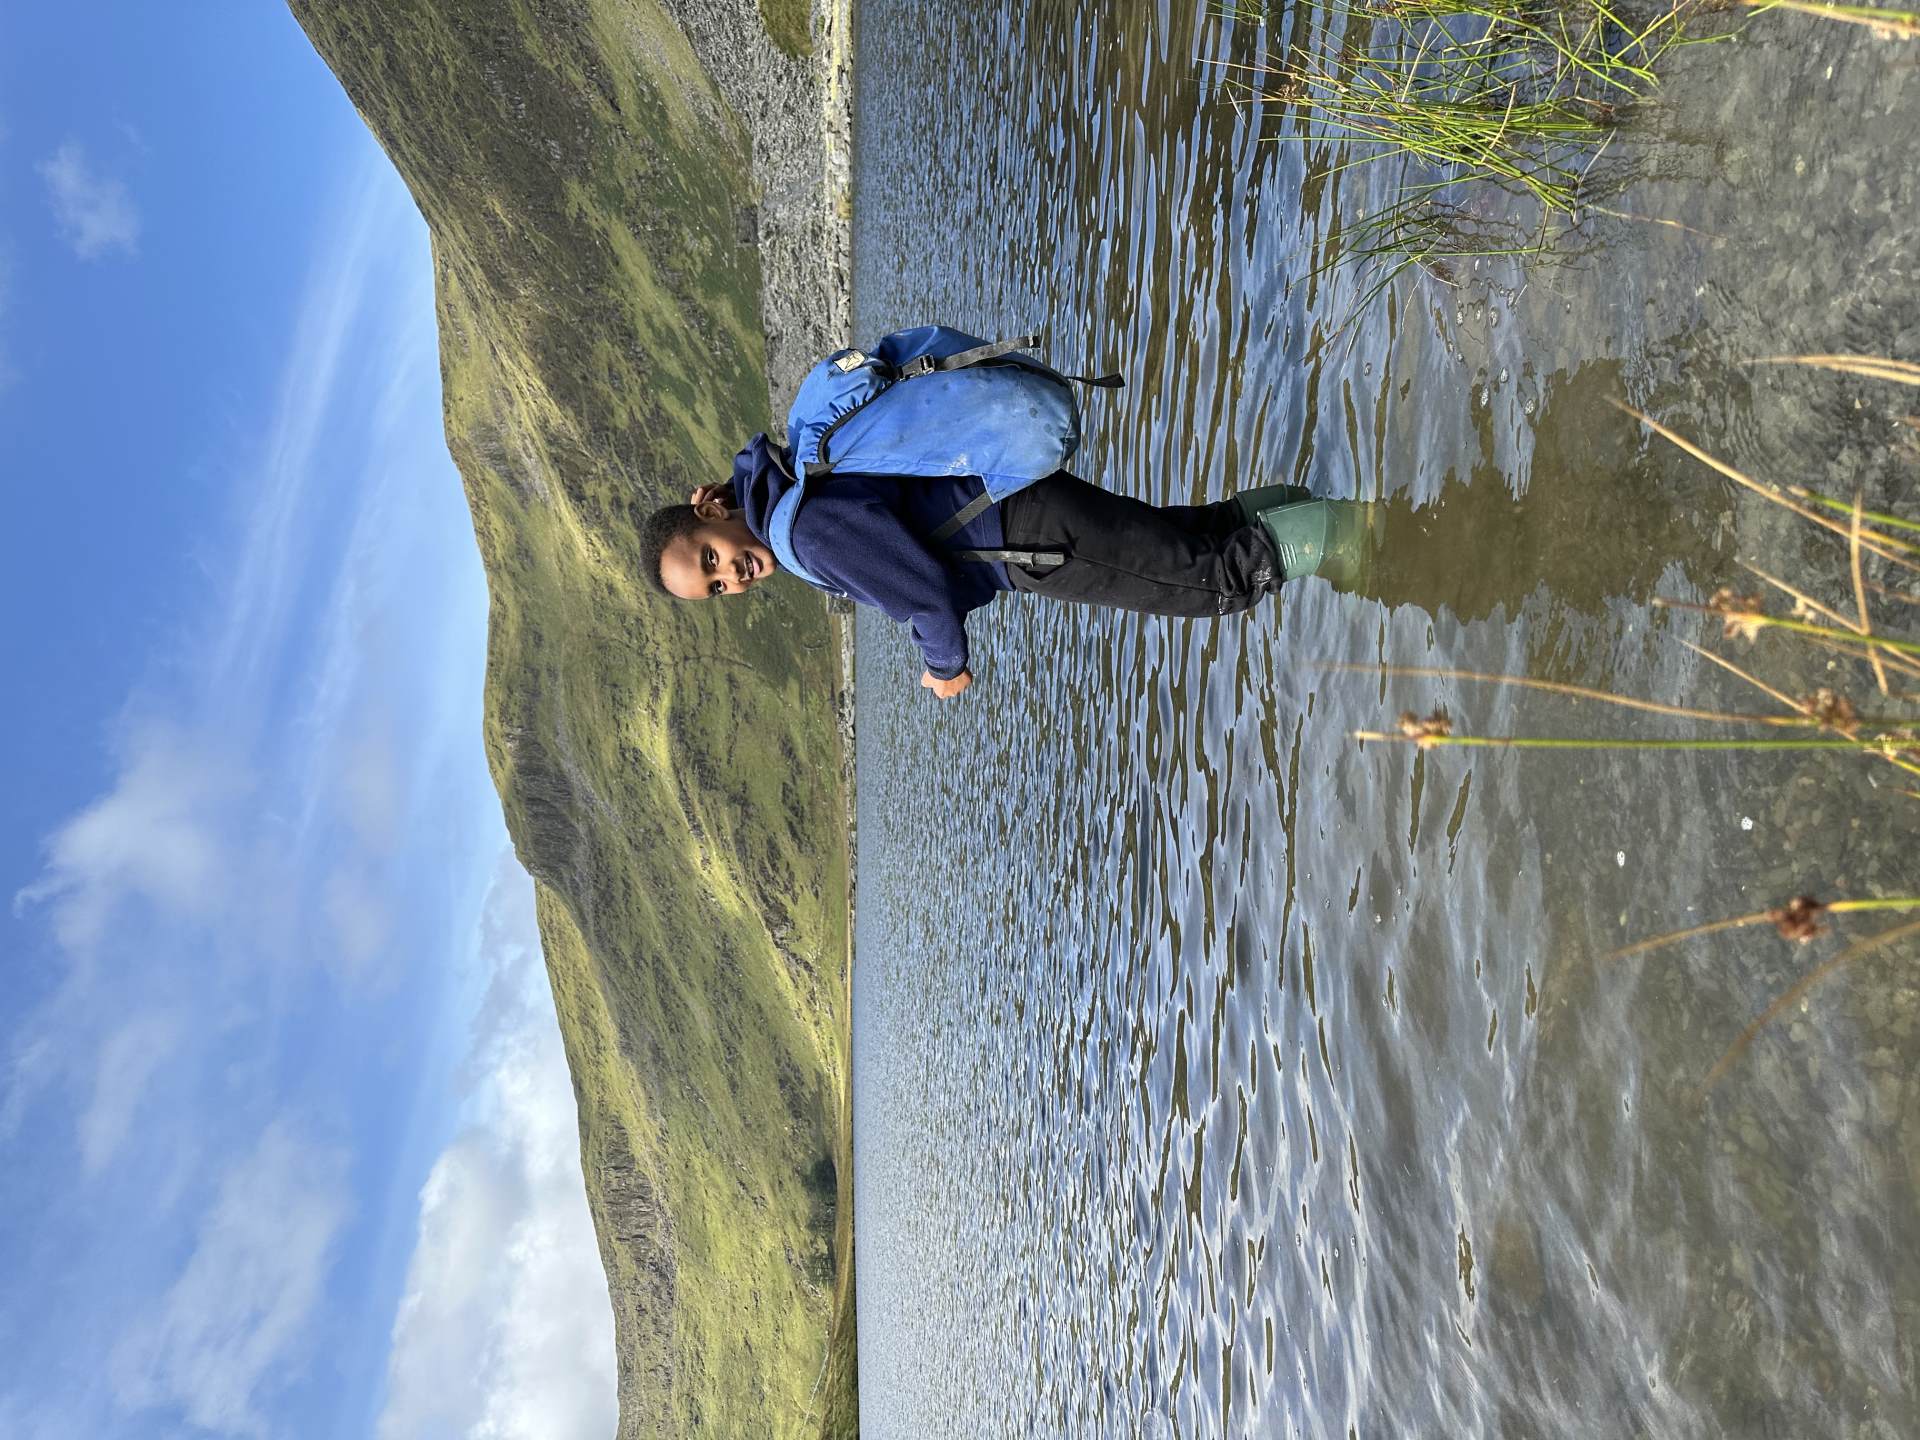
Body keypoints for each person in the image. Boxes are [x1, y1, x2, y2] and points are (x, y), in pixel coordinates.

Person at [640, 435, 1373, 698]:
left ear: (709, 509)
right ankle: (1341, 518)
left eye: (710, 558)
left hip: (1027, 538)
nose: (731, 576)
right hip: (1018, 497)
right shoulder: (783, 479)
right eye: (716, 587)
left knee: (1212, 583)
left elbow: (925, 594)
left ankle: (1361, 534)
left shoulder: (802, 532)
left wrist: (944, 667)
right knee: (1199, 535)